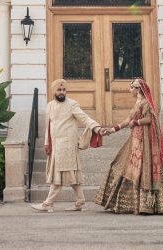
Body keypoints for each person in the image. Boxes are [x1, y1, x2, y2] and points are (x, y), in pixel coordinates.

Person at [94, 78, 163, 215]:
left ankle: (148, 205)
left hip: (144, 141)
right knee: (120, 164)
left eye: (132, 87)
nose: (130, 90)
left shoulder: (146, 103)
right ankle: (128, 204)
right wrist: (113, 129)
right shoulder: (137, 103)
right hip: (135, 140)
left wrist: (136, 122)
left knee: (141, 169)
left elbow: (149, 119)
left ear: (138, 89)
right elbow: (128, 120)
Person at [30, 78, 111, 212]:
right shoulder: (50, 105)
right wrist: (46, 142)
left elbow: (85, 118)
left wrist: (97, 128)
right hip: (56, 146)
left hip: (68, 146)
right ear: (53, 91)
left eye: (64, 90)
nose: (62, 92)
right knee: (73, 176)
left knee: (58, 177)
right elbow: (48, 126)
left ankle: (48, 204)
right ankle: (80, 202)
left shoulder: (72, 104)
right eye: (59, 90)